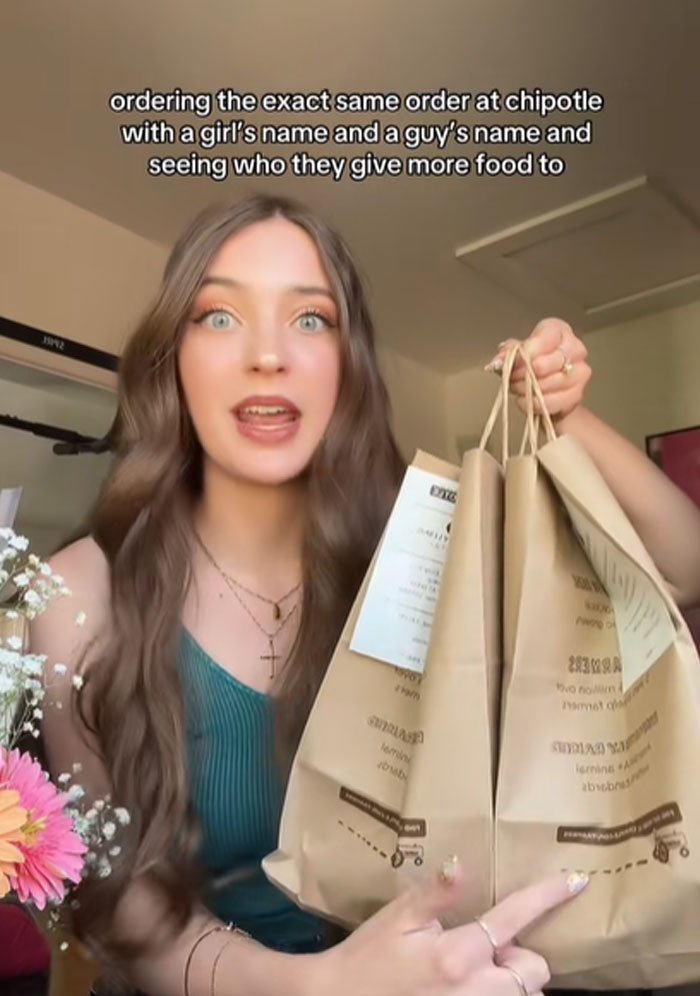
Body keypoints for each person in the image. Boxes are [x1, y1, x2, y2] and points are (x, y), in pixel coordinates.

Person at [30, 195, 700, 996]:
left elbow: (680, 570)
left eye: (310, 320)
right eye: (218, 316)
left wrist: (562, 414)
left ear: (347, 364)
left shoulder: (423, 557)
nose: (268, 355)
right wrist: (322, 986)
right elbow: (116, 904)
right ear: (171, 356)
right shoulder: (77, 595)